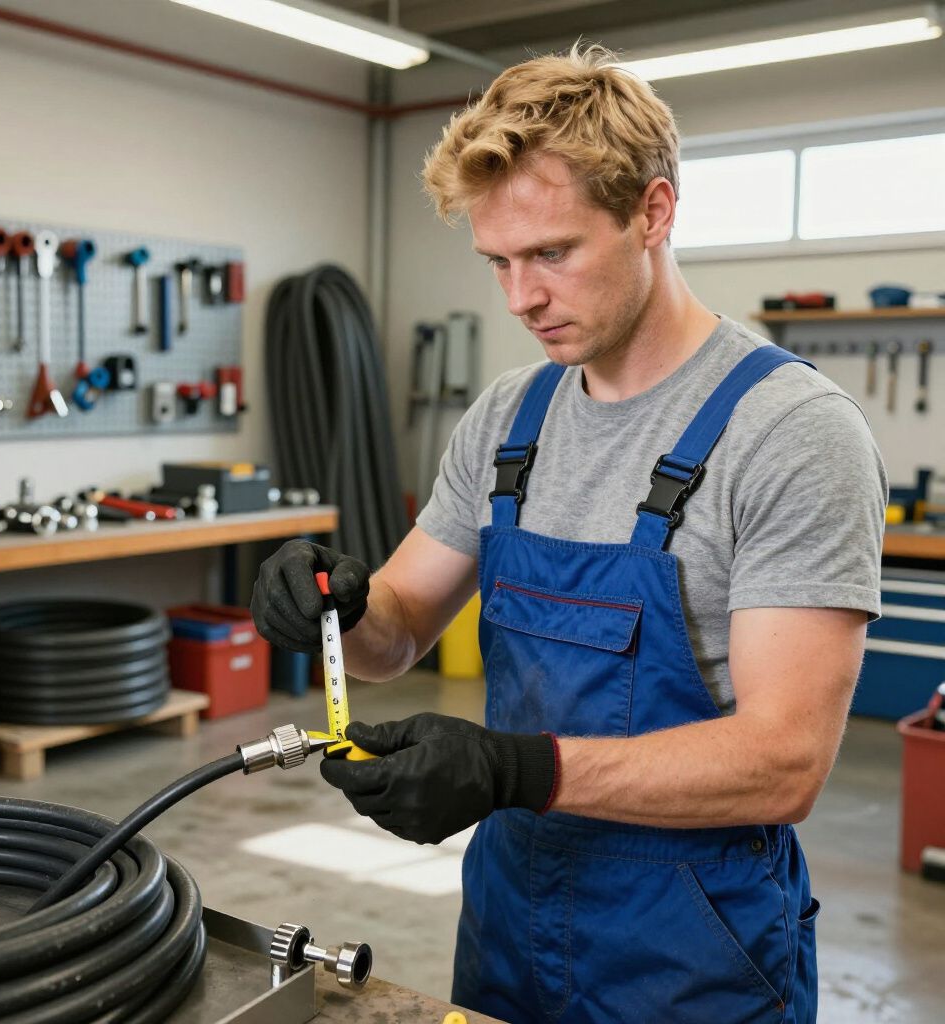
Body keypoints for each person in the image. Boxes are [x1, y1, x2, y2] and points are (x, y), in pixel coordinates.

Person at [251, 44, 887, 1024]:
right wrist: (336, 603)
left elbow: (784, 761)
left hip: (693, 958)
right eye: (498, 261)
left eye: (552, 252)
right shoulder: (512, 416)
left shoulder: (792, 433)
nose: (520, 298)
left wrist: (514, 767)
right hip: (507, 923)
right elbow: (398, 631)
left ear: (653, 212)